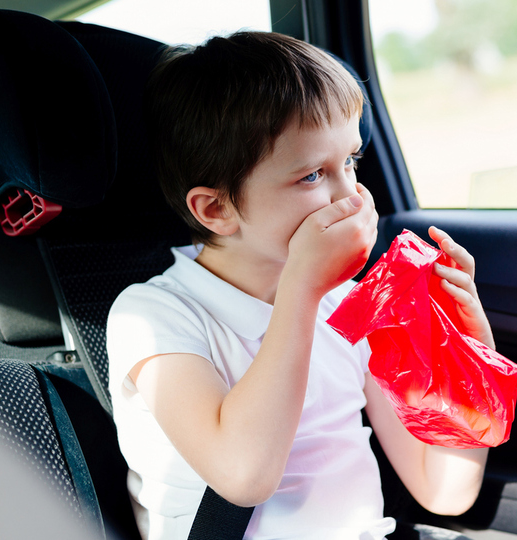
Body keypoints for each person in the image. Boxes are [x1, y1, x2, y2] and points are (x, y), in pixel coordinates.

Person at [106, 31, 497, 540]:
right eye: (312, 175)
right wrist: (302, 290)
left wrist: (468, 353)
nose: (353, 197)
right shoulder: (152, 317)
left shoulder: (349, 305)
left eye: (351, 162)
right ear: (217, 209)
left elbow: (444, 488)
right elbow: (243, 477)